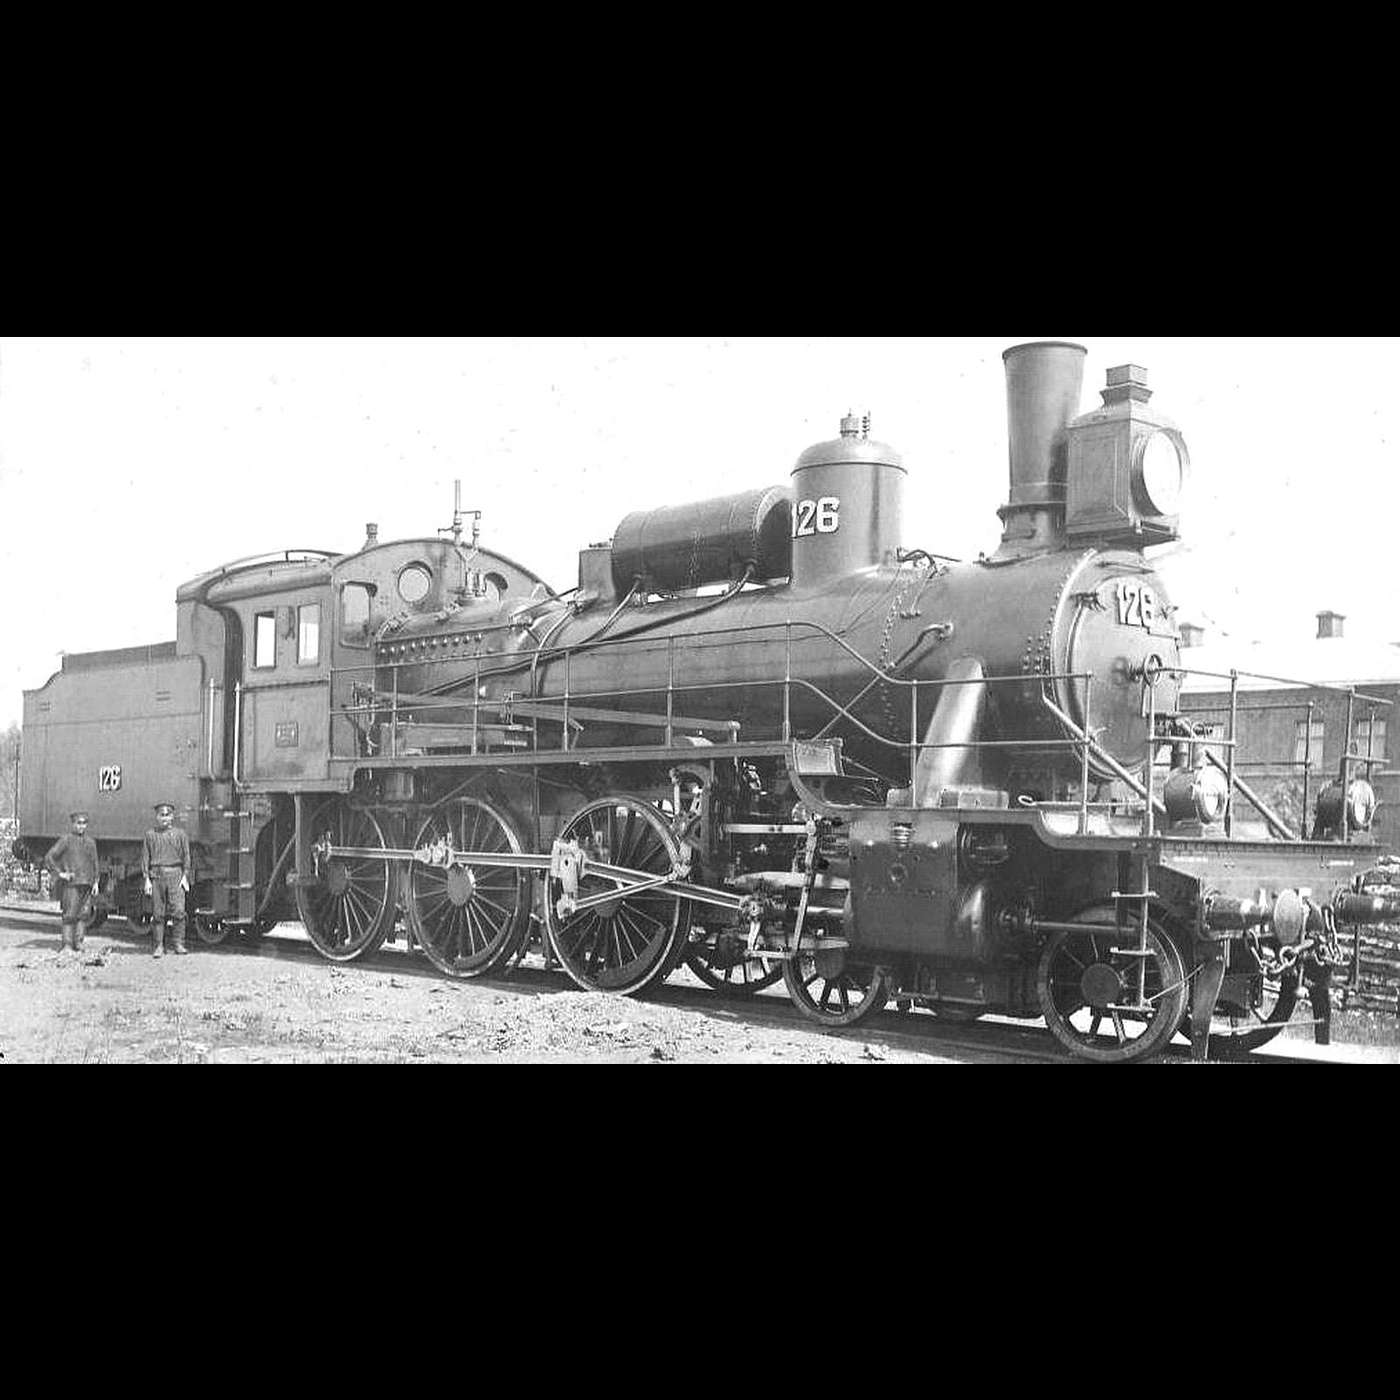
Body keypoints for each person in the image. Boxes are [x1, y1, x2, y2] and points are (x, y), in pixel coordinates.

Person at [44, 811, 100, 953]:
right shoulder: (66, 840)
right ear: (73, 824)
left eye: (84, 823)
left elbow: (95, 863)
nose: (81, 826)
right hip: (72, 884)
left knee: (83, 915)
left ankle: (79, 943)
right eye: (78, 823)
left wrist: (96, 882)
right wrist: (60, 874)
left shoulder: (91, 842)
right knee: (69, 915)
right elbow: (49, 857)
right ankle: (67, 944)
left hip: (87, 883)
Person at [142, 801, 192, 957]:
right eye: (161, 815)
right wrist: (147, 879)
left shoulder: (180, 834)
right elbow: (145, 858)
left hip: (176, 875)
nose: (164, 818)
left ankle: (179, 944)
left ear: (172, 817)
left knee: (179, 911)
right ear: (157, 817)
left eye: (167, 815)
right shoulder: (150, 835)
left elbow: (186, 856)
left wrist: (185, 876)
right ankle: (158, 946)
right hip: (157, 875)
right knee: (158, 913)